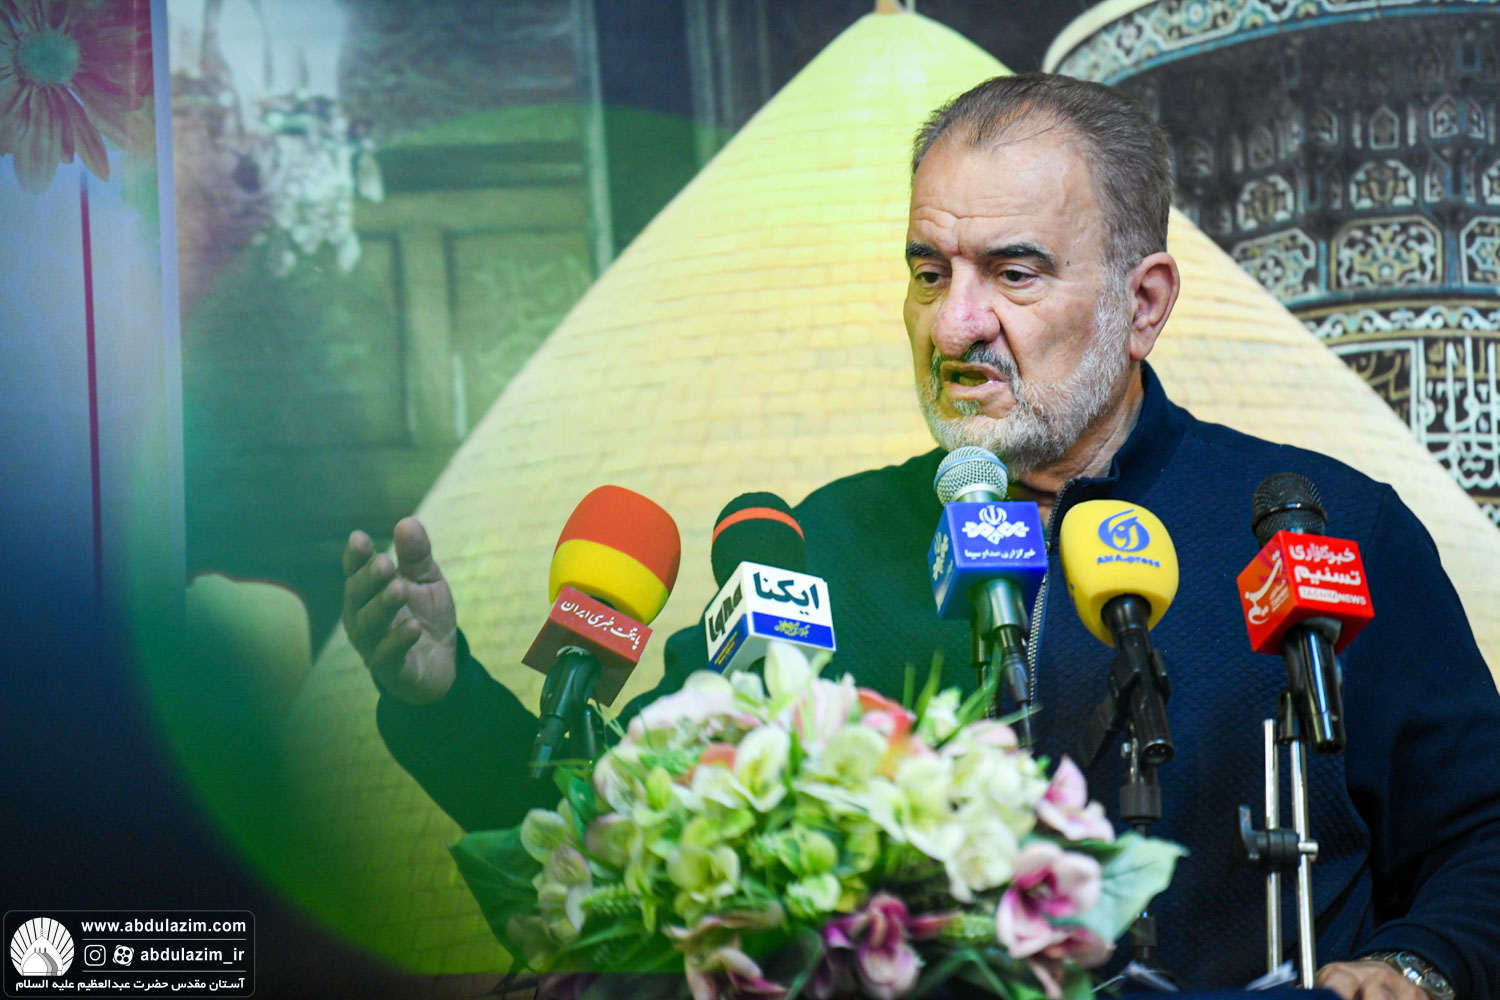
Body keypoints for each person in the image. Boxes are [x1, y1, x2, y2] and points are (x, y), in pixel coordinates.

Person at [340, 74, 1500, 998]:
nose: (955, 324)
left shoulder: (1322, 529)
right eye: (928, 271)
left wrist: (1420, 965)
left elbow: (1483, 834)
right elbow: (625, 841)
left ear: (1142, 303)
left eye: (1013, 272)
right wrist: (444, 702)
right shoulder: (818, 548)